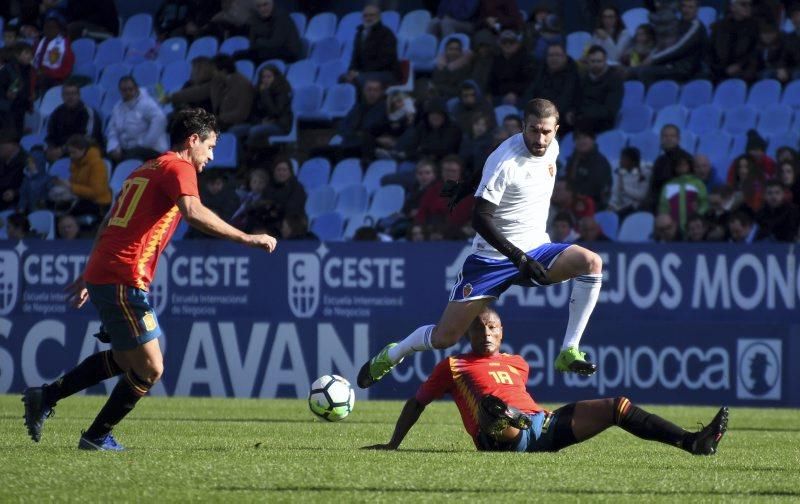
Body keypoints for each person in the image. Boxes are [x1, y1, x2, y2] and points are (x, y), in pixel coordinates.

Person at [22, 108, 277, 451]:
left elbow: (108, 222)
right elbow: (193, 212)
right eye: (211, 146)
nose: (212, 156)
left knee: (128, 361)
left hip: (108, 270)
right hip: (123, 275)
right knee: (151, 368)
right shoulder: (179, 166)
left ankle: (47, 396)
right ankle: (95, 437)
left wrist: (89, 272)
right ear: (192, 141)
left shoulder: (142, 169)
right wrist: (247, 238)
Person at [357, 99, 602, 390]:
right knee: (444, 337)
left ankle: (568, 351)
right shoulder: (506, 162)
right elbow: (480, 220)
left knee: (591, 263)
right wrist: (517, 258)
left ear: (556, 129)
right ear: (523, 126)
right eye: (534, 131)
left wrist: (469, 184)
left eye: (546, 132)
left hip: (536, 248)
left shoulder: (553, 147)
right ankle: (394, 353)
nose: (540, 139)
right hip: (491, 260)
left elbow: (492, 161)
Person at [365, 307, 728, 456]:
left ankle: (692, 442)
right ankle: (510, 420)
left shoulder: (518, 363)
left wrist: (533, 418)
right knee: (493, 409)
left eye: (492, 327)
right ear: (467, 332)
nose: (487, 333)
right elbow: (417, 403)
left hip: (543, 426)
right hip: (498, 436)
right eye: (479, 327)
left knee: (617, 406)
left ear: (502, 331)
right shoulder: (454, 365)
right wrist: (393, 444)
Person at [106, 76, 168, 163]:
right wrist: (114, 147)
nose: (127, 92)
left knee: (130, 157)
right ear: (120, 91)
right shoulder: (117, 108)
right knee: (107, 156)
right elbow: (112, 131)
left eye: (130, 89)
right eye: (124, 90)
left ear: (136, 88)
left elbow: (160, 119)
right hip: (127, 149)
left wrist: (145, 143)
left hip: (151, 149)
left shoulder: (146, 103)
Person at [341, 3, 400, 88]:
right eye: (365, 16)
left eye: (371, 15)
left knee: (359, 79)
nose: (368, 18)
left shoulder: (386, 34)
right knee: (343, 78)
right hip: (366, 73)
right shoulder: (359, 34)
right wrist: (351, 71)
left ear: (379, 17)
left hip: (386, 73)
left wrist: (361, 73)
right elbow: (355, 58)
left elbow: (386, 60)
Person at [45, 81, 101, 162]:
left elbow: (87, 138)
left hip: (82, 151)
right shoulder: (57, 112)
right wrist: (50, 149)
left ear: (78, 95)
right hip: (59, 151)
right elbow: (51, 135)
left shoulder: (87, 112)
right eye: (67, 94)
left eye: (73, 93)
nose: (70, 97)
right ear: (62, 96)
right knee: (37, 153)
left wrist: (63, 149)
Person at [571, 45, 623, 133]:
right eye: (593, 61)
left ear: (605, 61)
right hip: (581, 119)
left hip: (602, 123)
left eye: (599, 61)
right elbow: (576, 100)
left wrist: (582, 113)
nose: (595, 64)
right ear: (587, 62)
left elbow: (609, 110)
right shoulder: (583, 79)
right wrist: (571, 112)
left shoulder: (614, 80)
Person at [238, 0, 301, 64]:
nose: (262, 9)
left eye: (265, 4)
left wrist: (259, 42)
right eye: (258, 6)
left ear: (272, 3)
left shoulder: (281, 17)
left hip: (288, 52)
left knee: (258, 55)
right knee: (238, 55)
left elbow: (276, 43)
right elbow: (252, 43)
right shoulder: (256, 18)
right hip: (268, 50)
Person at [564, 128, 613, 210]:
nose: (581, 141)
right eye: (578, 138)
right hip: (573, 201)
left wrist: (571, 195)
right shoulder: (573, 159)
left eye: (585, 137)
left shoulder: (600, 162)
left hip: (593, 205)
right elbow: (567, 180)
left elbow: (594, 189)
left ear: (593, 140)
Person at [488, 30, 535, 106]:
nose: (508, 45)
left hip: (520, 97)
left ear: (518, 44)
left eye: (511, 42)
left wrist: (514, 93)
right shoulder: (496, 60)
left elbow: (529, 83)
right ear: (500, 44)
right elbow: (491, 82)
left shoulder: (526, 59)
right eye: (504, 42)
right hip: (499, 96)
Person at [32, 13, 74, 92]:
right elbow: (33, 61)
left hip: (54, 81)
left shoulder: (64, 45)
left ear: (59, 29)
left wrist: (47, 73)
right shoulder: (39, 42)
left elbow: (65, 71)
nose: (49, 30)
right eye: (46, 27)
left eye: (52, 27)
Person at [608, 146, 651, 218]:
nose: (620, 161)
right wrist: (611, 205)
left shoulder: (645, 173)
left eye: (624, 159)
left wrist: (624, 189)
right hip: (619, 207)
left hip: (635, 208)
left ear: (633, 162)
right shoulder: (620, 172)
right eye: (621, 158)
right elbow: (615, 193)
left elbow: (642, 195)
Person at [0, 129, 27, 211]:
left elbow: (30, 185)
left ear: (13, 145)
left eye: (1, 143)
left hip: (11, 202)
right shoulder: (2, 159)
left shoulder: (26, 160)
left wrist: (15, 192)